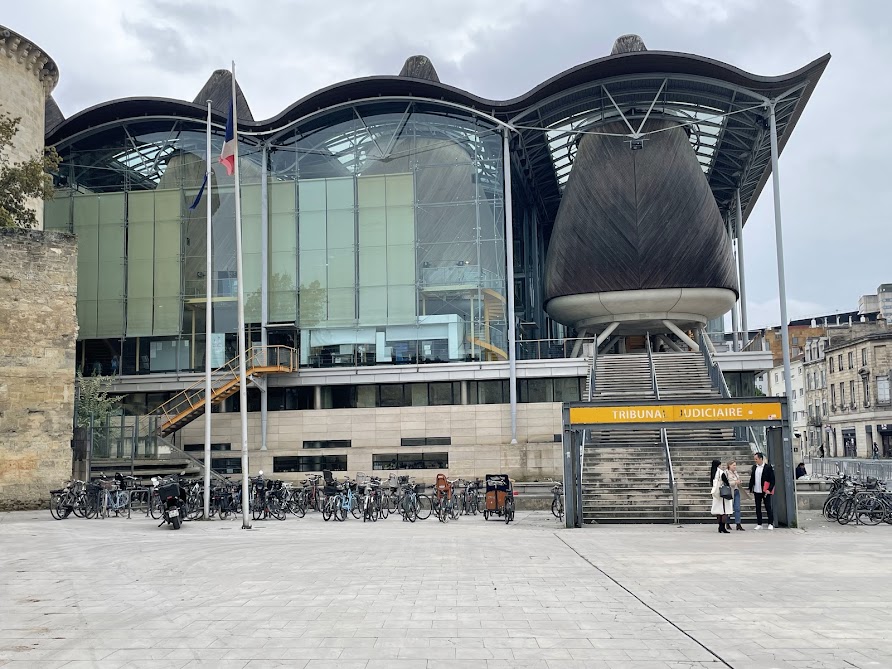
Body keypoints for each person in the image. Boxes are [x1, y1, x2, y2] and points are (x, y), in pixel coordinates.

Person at [748, 452, 775, 530]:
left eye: (756, 459)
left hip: (765, 490)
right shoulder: (754, 467)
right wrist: (750, 488)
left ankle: (770, 523)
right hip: (757, 490)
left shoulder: (768, 467)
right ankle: (759, 523)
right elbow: (752, 478)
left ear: (761, 459)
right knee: (758, 507)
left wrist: (769, 489)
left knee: (768, 506)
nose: (755, 461)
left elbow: (772, 479)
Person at [709, 459, 731, 533]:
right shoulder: (721, 472)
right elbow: (726, 482)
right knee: (724, 510)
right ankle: (723, 527)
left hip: (715, 493)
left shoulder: (713, 472)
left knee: (718, 511)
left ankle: (719, 527)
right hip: (722, 493)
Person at [726, 460, 745, 531]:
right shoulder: (726, 473)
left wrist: (739, 481)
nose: (735, 466)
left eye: (735, 465)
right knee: (729, 508)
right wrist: (735, 482)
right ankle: (727, 522)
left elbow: (738, 479)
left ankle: (738, 524)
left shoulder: (736, 473)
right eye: (733, 465)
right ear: (729, 465)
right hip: (730, 492)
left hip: (737, 490)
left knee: (737, 508)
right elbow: (727, 482)